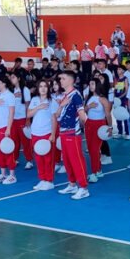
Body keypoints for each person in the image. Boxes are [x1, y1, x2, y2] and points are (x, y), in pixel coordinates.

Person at [55, 70, 91, 200]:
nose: (61, 81)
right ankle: (72, 184)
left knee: (76, 160)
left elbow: (82, 114)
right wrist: (61, 106)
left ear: (71, 80)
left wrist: (87, 126)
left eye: (63, 78)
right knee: (67, 160)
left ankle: (83, 188)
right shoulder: (64, 96)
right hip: (63, 131)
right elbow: (57, 115)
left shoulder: (76, 95)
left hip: (72, 133)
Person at [0, 74, 18, 185]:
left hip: (4, 127)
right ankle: (3, 173)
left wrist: (8, 128)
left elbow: (11, 113)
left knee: (8, 150)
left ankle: (12, 175)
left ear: (3, 83)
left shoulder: (10, 96)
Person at [83, 80, 112, 183]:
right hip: (89, 124)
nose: (90, 86)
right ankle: (98, 170)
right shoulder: (89, 98)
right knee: (91, 149)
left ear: (97, 85)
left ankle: (95, 173)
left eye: (92, 84)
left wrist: (110, 127)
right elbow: (83, 110)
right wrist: (89, 106)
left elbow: (108, 114)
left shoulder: (103, 99)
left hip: (99, 125)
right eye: (90, 84)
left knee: (95, 149)